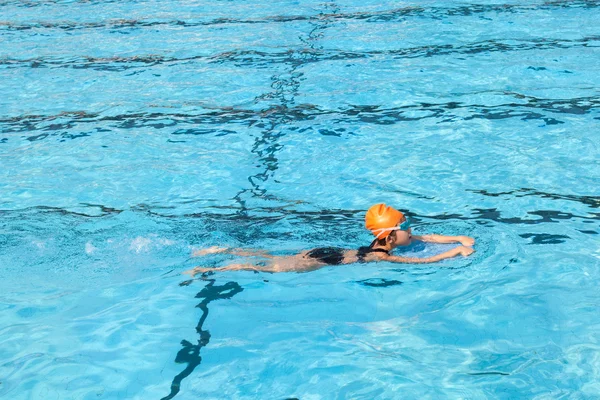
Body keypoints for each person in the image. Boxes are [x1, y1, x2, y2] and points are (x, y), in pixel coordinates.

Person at [185, 203, 475, 276]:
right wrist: (452, 253)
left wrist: (457, 238)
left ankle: (224, 249)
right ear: (390, 235)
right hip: (323, 260)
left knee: (270, 256)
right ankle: (212, 268)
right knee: (266, 267)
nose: (412, 229)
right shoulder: (382, 255)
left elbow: (429, 237)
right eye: (406, 225)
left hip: (331, 251)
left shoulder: (382, 243)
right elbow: (422, 262)